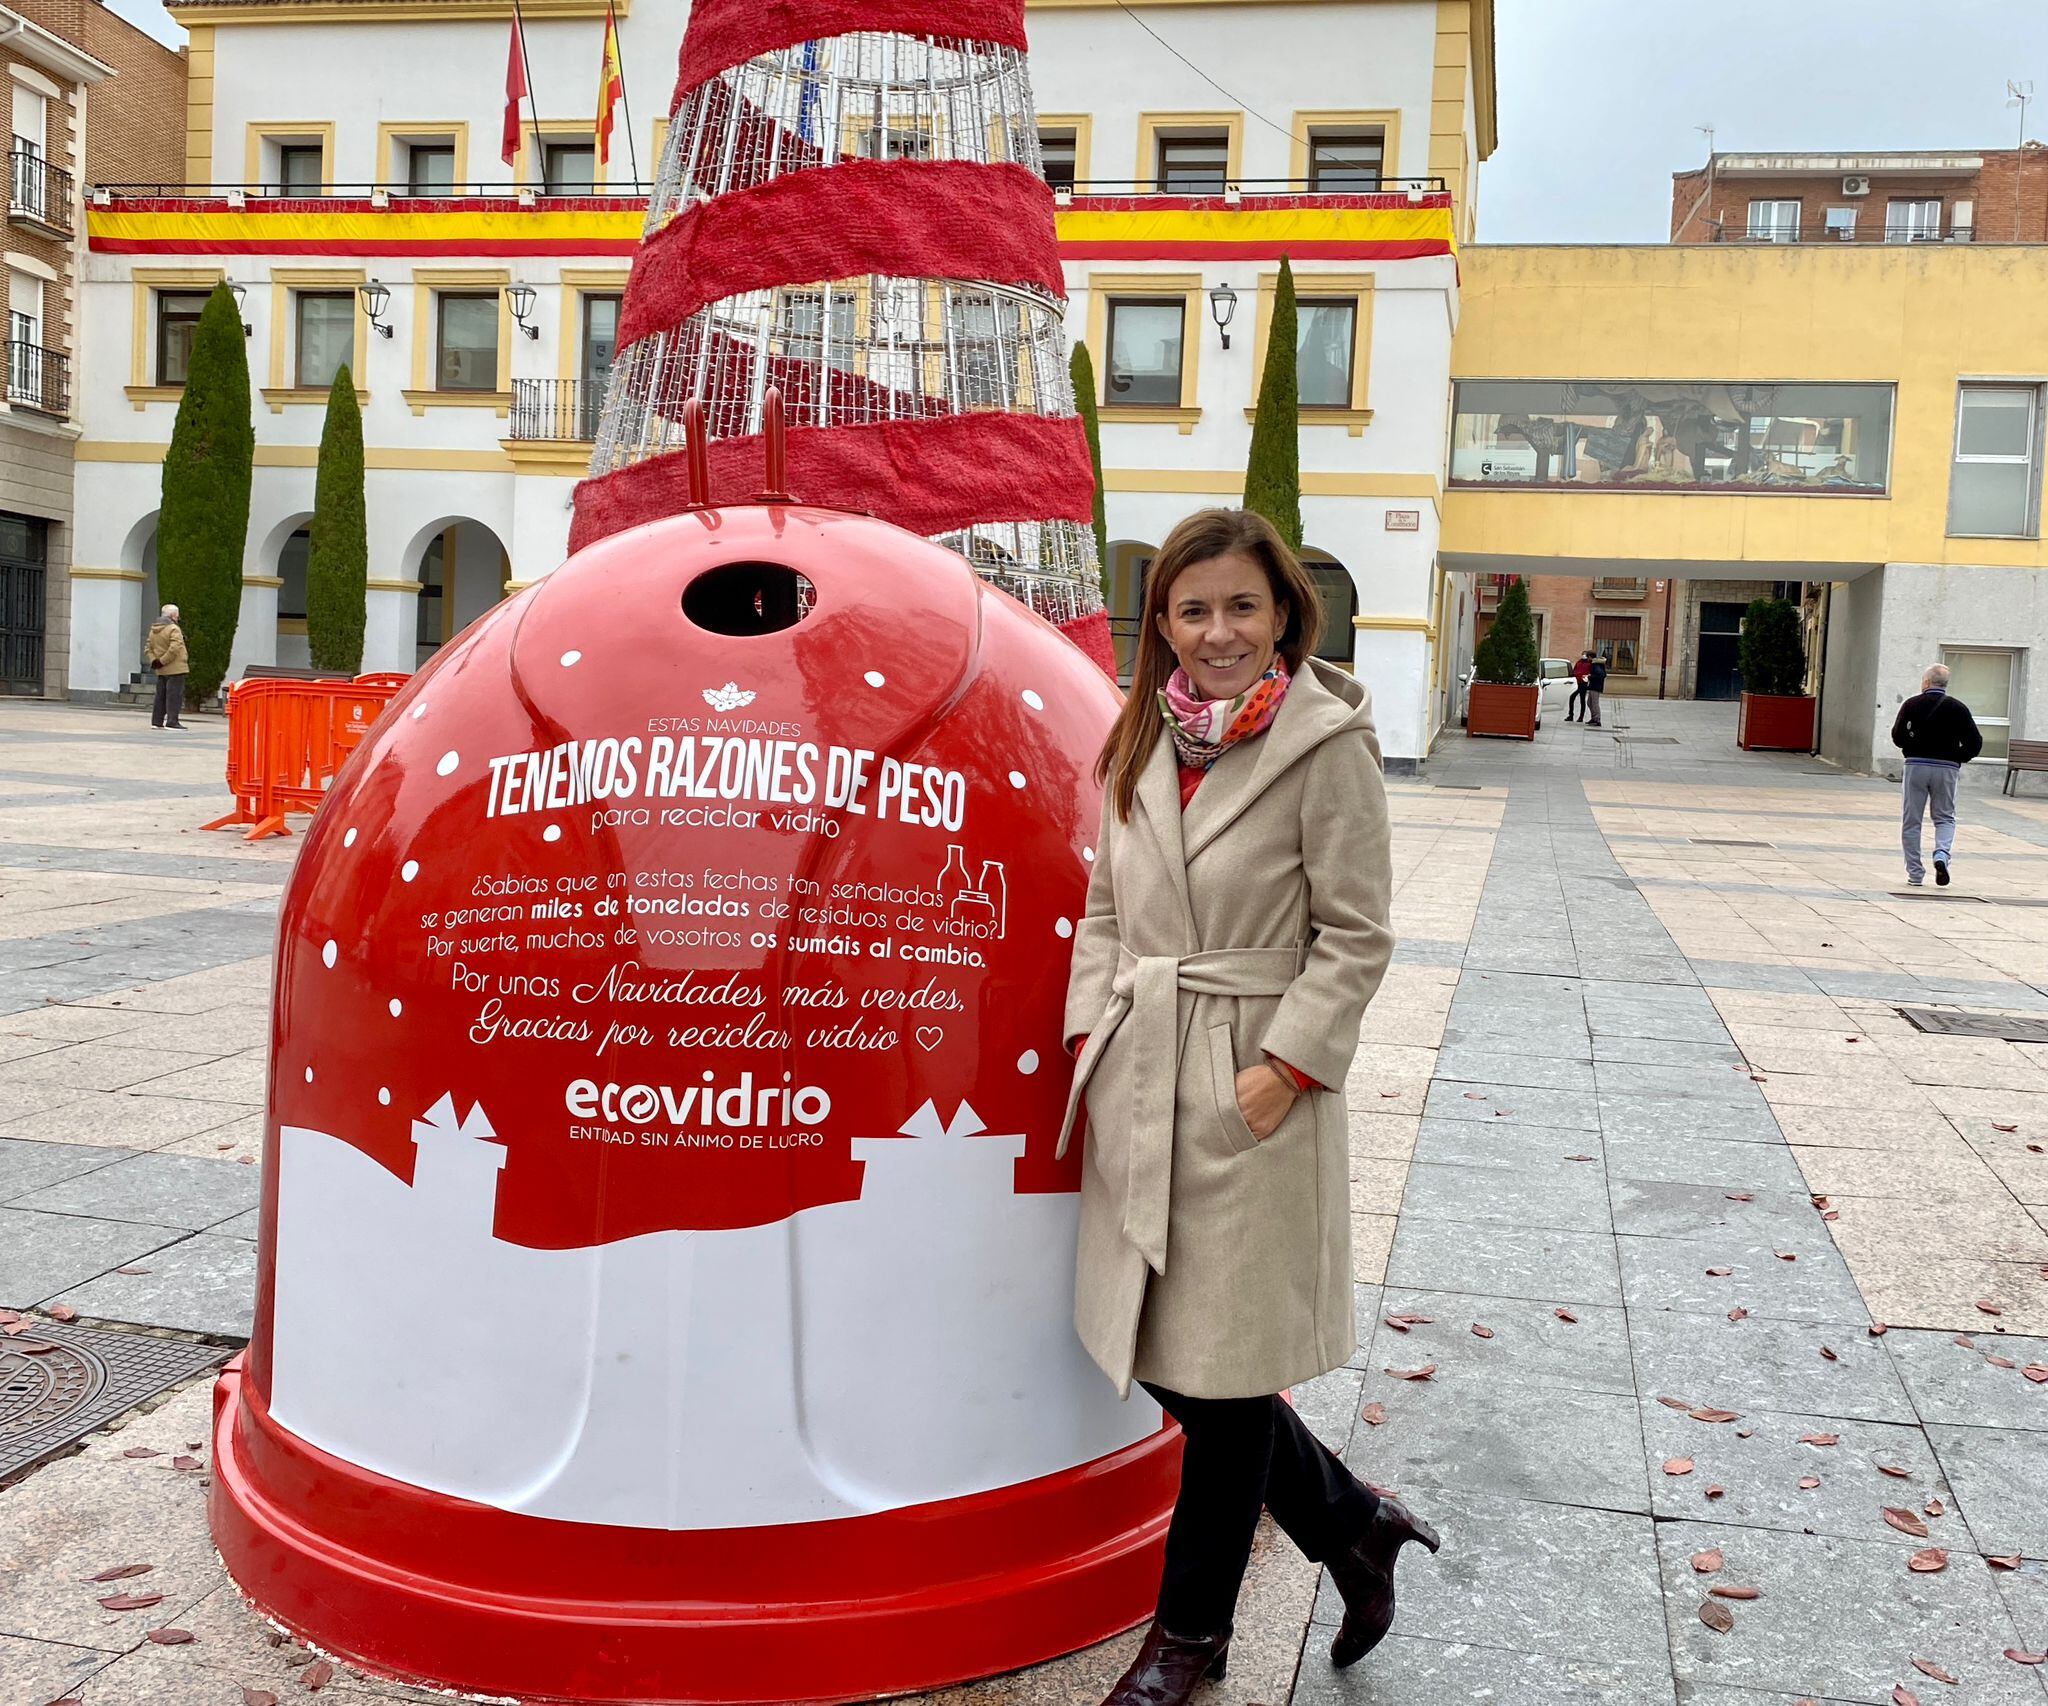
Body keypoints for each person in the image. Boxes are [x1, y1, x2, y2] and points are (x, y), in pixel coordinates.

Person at [1058, 508, 1436, 1706]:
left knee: (1219, 1388)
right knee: (1174, 1356)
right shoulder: (1140, 739)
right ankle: (1350, 1520)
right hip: (1139, 1067)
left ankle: (1189, 1637)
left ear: (1282, 614)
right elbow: (1105, 910)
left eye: (1239, 606)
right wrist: (1089, 1026)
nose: (1216, 631)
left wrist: (1280, 1069)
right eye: (1190, 608)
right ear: (1159, 623)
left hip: (1247, 1079)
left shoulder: (1322, 745)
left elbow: (1355, 933)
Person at [1891, 662, 1983, 887]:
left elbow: (1897, 735)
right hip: (1947, 769)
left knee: (1911, 820)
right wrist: (1958, 758)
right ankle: (1941, 854)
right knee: (1945, 817)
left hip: (1916, 765)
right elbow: (1975, 741)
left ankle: (1915, 874)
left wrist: (1910, 747)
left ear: (1926, 682)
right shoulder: (1958, 708)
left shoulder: (1911, 704)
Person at [144, 603, 189, 729]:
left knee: (160, 696)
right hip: (176, 668)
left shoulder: (154, 629)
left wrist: (155, 661)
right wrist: (163, 660)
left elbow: (148, 648)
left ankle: (157, 721)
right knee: (174, 696)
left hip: (161, 669)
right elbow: (175, 647)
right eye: (177, 615)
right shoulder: (173, 629)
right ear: (173, 616)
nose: (178, 618)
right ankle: (172, 721)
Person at [1567, 650, 1594, 722]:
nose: (1583, 655)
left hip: (1584, 683)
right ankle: (1571, 715)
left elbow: (1590, 673)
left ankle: (1581, 717)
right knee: (1572, 697)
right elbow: (1574, 670)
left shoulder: (1590, 663)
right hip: (1577, 683)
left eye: (1585, 654)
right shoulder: (1579, 662)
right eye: (1583, 654)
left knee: (1582, 700)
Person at [1583, 649, 1609, 727]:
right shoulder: (1596, 663)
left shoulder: (1596, 664)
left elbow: (1601, 675)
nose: (1587, 659)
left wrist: (1590, 676)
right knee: (1589, 702)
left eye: (1588, 657)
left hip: (1596, 686)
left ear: (1590, 657)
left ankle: (1597, 719)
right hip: (1593, 686)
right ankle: (1594, 718)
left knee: (1594, 703)